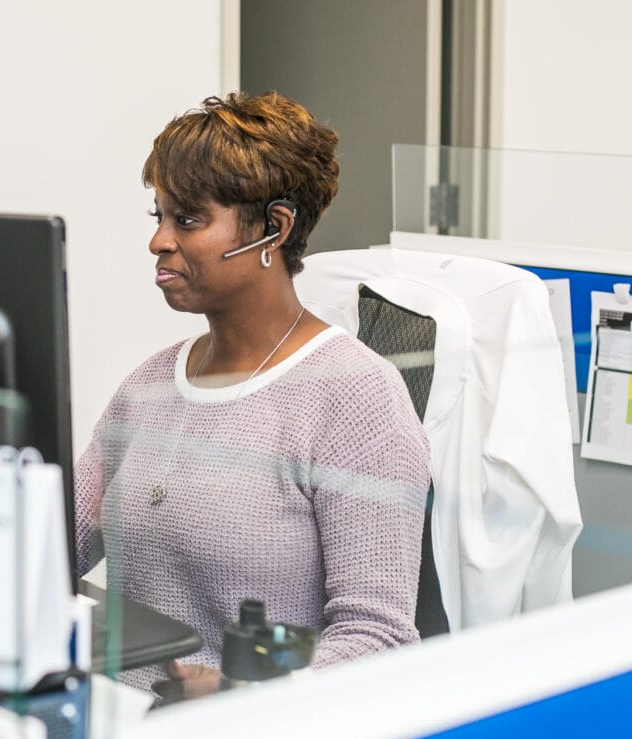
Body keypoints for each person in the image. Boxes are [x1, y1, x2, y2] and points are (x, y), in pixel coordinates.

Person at [74, 92, 430, 700]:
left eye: (187, 219)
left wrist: (240, 688)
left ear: (274, 227)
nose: (159, 241)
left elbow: (378, 638)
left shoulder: (356, 397)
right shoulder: (148, 385)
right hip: (113, 724)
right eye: (158, 217)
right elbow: (56, 541)